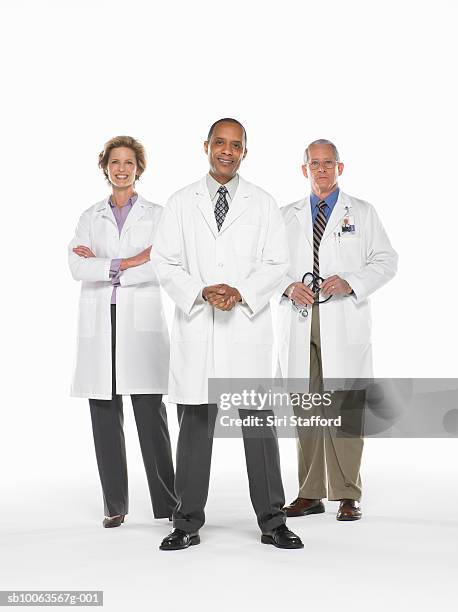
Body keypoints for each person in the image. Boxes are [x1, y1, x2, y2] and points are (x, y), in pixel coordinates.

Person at [152, 118, 303, 550]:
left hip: (245, 331)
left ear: (244, 153)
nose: (227, 151)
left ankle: (273, 520)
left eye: (235, 145)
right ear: (206, 146)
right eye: (220, 142)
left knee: (259, 430)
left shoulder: (263, 203)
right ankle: (186, 522)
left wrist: (241, 292)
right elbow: (166, 261)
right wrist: (200, 291)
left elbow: (276, 264)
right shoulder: (182, 202)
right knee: (195, 429)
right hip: (199, 326)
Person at [277, 139, 398, 521]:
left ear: (340, 168)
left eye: (329, 163)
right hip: (300, 321)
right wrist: (285, 284)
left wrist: (352, 282)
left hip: (342, 319)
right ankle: (310, 493)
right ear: (304, 170)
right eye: (315, 163)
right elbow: (265, 264)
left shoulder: (361, 212)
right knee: (308, 408)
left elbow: (386, 261)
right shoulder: (285, 216)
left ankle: (347, 493)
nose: (322, 169)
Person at [68, 135, 176, 527]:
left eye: (129, 162)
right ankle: (115, 505)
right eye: (115, 161)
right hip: (100, 322)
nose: (122, 168)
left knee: (150, 414)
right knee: (104, 411)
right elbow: (77, 266)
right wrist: (129, 262)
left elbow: (163, 265)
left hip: (140, 322)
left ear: (138, 168)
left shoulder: (158, 214)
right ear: (105, 167)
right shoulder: (89, 216)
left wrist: (106, 268)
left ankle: (167, 503)